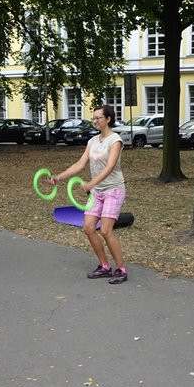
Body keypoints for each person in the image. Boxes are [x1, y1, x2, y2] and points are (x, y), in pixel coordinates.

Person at [50, 105, 128, 284]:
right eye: (93, 118)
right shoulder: (92, 141)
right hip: (97, 191)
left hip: (113, 190)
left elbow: (110, 167)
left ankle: (121, 269)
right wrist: (58, 177)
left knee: (107, 230)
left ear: (108, 119)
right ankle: (104, 266)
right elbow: (80, 164)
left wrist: (91, 183)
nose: (94, 121)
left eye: (98, 118)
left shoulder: (115, 140)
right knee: (89, 228)